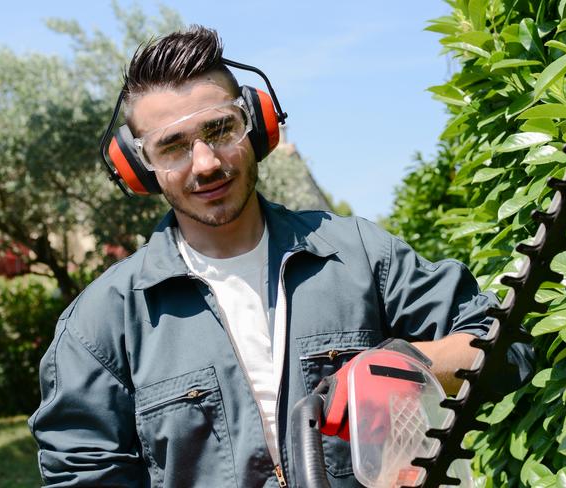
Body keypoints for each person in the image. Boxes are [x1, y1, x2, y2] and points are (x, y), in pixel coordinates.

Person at [29, 26, 533, 487]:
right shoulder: (99, 327)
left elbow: (506, 344)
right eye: (173, 147)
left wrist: (405, 364)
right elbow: (84, 475)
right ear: (141, 168)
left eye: (221, 129)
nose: (205, 163)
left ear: (260, 126)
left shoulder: (358, 255)